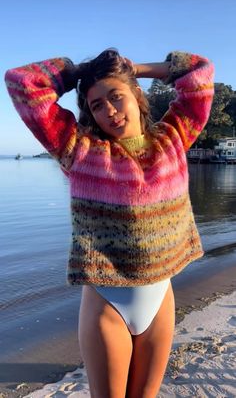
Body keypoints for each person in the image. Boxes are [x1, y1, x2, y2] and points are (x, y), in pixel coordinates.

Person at [5, 49, 214, 398]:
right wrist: (80, 73)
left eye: (116, 96)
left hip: (160, 299)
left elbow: (200, 74)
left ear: (137, 94)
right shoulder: (79, 149)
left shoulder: (173, 138)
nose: (109, 111)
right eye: (97, 105)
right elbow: (23, 83)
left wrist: (137, 68)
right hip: (107, 305)